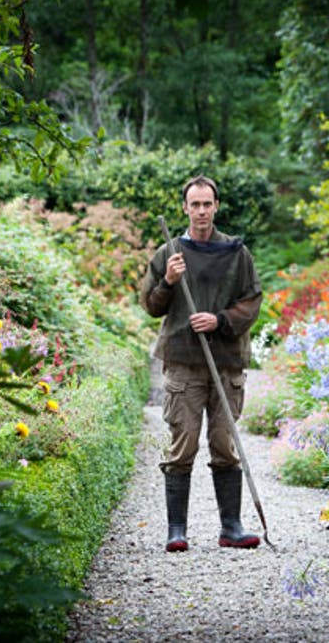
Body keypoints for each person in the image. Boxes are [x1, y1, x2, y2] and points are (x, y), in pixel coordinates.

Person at [139, 175, 263, 552]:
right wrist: (170, 282)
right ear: (185, 208)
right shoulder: (169, 254)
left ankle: (232, 528)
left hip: (225, 362)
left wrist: (220, 320)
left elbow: (252, 300)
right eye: (195, 204)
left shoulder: (237, 253)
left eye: (207, 204)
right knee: (183, 445)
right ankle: (176, 530)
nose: (202, 211)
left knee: (225, 444)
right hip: (183, 362)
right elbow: (150, 306)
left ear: (216, 206)